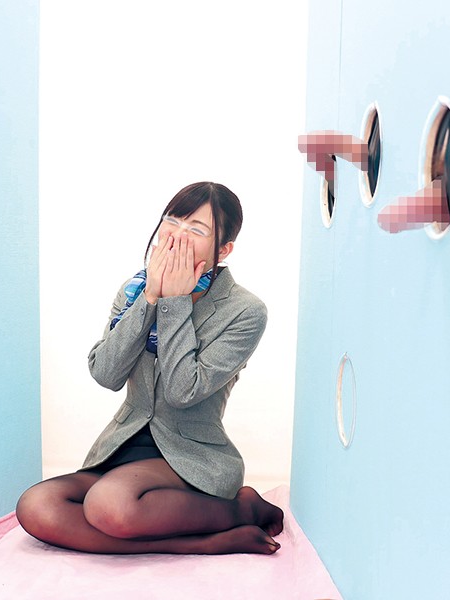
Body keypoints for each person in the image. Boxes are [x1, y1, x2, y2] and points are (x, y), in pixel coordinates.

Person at [16, 182, 283, 555]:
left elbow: (181, 392)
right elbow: (105, 374)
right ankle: (204, 542)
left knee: (109, 506)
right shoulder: (134, 291)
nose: (177, 235)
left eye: (197, 229)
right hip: (125, 443)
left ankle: (240, 508)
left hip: (191, 455)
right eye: (173, 221)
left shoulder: (245, 310)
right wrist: (151, 297)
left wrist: (175, 302)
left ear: (223, 250)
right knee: (36, 506)